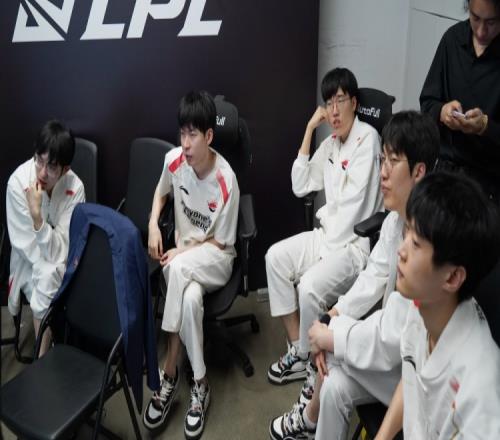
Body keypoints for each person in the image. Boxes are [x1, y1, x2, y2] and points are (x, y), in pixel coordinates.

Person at [269, 111, 439, 440]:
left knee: (331, 354)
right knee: (333, 386)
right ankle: (311, 421)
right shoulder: (395, 221)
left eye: (393, 161)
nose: (383, 173)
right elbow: (372, 278)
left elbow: (393, 336)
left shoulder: (428, 241)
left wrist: (331, 336)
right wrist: (332, 316)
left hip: (415, 377)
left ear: (419, 172)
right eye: (382, 160)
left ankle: (307, 417)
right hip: (395, 353)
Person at [266, 67, 383, 387]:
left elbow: (354, 210)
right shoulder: (331, 143)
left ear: (354, 103)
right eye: (328, 103)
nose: (333, 111)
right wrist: (309, 129)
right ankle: (299, 350)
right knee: (275, 258)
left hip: (353, 246)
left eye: (340, 101)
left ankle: (309, 365)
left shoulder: (368, 140)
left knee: (308, 286)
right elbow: (300, 184)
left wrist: (320, 259)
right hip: (328, 237)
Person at [143, 91, 239, 439]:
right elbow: (161, 193)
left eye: (193, 135)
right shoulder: (173, 161)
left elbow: (221, 243)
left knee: (177, 269)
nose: (185, 143)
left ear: (209, 136)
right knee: (189, 300)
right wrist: (153, 224)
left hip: (216, 257)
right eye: (182, 133)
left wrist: (183, 252)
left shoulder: (227, 180)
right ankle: (200, 383)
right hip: (184, 258)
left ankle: (169, 371)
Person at [374, 172, 500, 439]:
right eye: (407, 232)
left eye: (416, 243)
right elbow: (411, 378)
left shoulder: (479, 390)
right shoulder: (424, 304)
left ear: (452, 278)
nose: (401, 251)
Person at [6, 119, 85, 355]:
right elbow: (27, 248)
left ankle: (42, 355)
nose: (42, 172)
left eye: (51, 167)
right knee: (47, 275)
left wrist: (38, 221)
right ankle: (45, 352)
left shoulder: (75, 188)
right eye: (39, 160)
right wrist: (36, 216)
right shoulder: (18, 183)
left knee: (50, 274)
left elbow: (63, 249)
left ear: (65, 169)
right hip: (27, 263)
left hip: (61, 263)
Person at [420, 0, 500, 202]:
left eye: (491, 22)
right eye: (475, 18)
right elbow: (427, 103)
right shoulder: (452, 39)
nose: (481, 31)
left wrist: (485, 126)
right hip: (445, 173)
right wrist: (442, 111)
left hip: (489, 185)